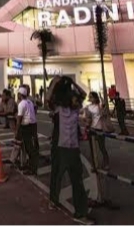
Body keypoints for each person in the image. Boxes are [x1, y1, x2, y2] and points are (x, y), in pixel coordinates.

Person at [48, 76, 93, 224]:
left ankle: (80, 212)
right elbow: (48, 99)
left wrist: (73, 82)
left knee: (77, 181)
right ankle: (54, 200)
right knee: (58, 175)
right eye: (74, 98)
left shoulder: (75, 110)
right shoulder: (59, 110)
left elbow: (84, 94)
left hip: (73, 149)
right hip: (61, 149)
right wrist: (55, 82)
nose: (77, 100)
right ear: (67, 98)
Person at [15, 86, 38, 175]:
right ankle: (29, 164)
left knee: (29, 148)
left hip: (27, 126)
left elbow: (19, 119)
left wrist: (17, 131)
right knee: (31, 147)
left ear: (20, 95)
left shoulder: (21, 104)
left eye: (18, 94)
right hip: (33, 125)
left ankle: (32, 168)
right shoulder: (30, 102)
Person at [84, 92, 110, 170]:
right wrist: (86, 123)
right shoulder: (88, 107)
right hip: (92, 129)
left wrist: (101, 97)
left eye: (92, 97)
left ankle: (106, 162)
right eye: (89, 97)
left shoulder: (99, 106)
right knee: (92, 148)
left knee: (102, 147)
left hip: (100, 129)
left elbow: (105, 108)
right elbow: (87, 118)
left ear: (95, 98)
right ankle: (95, 164)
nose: (90, 98)